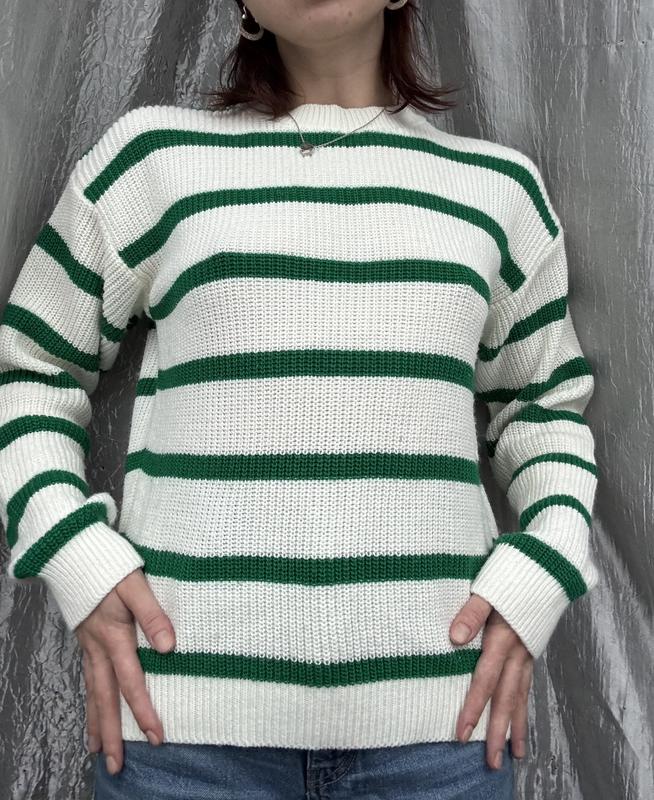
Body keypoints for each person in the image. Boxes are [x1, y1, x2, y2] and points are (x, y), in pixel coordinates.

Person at [0, 1, 600, 798]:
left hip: (441, 739)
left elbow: (545, 408)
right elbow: (29, 370)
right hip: (183, 742)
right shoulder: (154, 161)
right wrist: (76, 556)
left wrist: (540, 574)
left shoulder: (499, 191)